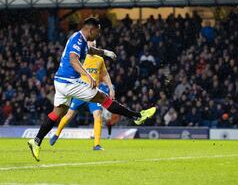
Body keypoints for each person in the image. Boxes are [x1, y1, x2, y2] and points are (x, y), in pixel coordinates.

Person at [28, 17, 156, 161]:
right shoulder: (77, 39)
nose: (99, 35)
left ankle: (36, 141)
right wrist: (88, 75)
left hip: (60, 81)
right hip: (70, 82)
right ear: (91, 30)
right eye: (98, 32)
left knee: (60, 111)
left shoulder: (81, 39)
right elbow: (73, 60)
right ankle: (137, 116)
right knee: (103, 98)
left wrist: (105, 52)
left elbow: (89, 50)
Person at [49, 41, 115, 151]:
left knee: (98, 115)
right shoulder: (81, 58)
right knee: (69, 115)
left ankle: (96, 144)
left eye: (94, 44)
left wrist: (111, 88)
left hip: (93, 93)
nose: (92, 46)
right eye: (90, 44)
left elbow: (105, 74)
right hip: (80, 91)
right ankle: (56, 134)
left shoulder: (100, 60)